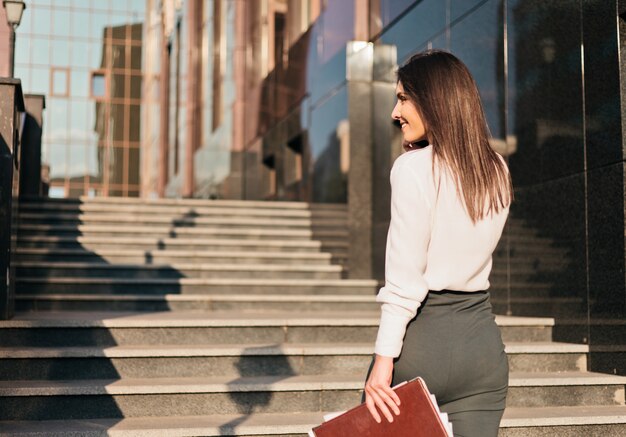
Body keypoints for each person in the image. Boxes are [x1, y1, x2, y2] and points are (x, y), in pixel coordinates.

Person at [363, 49, 514, 437]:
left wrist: (383, 363)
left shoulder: (412, 170)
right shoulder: (497, 168)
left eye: (402, 99)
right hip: (480, 350)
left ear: (433, 99)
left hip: (420, 347)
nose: (395, 113)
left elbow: (404, 281)